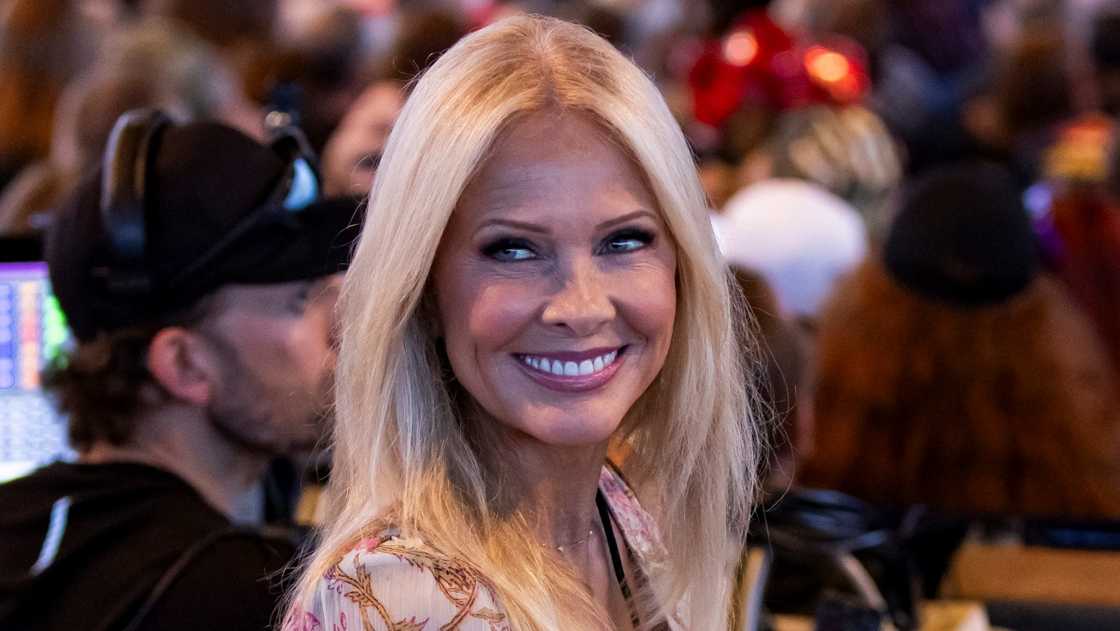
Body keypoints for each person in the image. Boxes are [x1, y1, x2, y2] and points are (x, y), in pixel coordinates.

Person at [284, 15, 761, 631]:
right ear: (424, 288)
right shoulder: (395, 597)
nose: (582, 306)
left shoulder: (618, 511)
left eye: (623, 241)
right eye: (514, 249)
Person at [0, 110, 359, 631]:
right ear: (184, 364)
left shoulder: (19, 526)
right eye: (300, 301)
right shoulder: (248, 594)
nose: (340, 329)